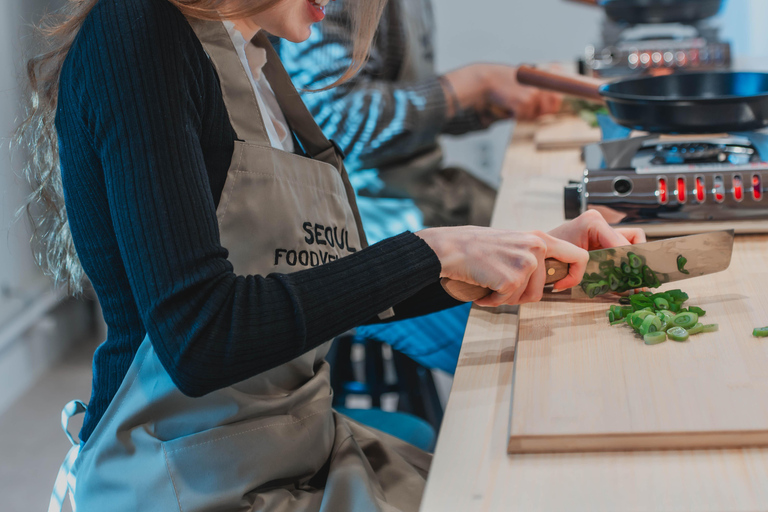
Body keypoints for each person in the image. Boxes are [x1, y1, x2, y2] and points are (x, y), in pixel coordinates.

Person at [17, 0, 643, 511]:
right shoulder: (138, 33)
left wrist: (517, 253)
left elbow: (311, 285)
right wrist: (430, 251)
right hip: (189, 480)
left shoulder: (257, 58)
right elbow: (201, 337)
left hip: (296, 449)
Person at [279, 0, 563, 374]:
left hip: (427, 196)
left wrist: (486, 100)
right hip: (367, 226)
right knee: (534, 354)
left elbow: (398, 103)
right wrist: (472, 84)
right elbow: (333, 121)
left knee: (557, 272)